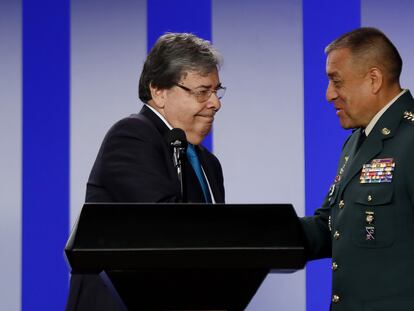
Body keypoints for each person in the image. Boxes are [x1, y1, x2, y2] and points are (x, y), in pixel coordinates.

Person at [66, 32, 226, 311]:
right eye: (202, 92)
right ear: (159, 91)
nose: (215, 103)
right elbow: (162, 228)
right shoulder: (131, 137)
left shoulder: (207, 163)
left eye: (216, 91)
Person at [301, 27, 414, 310]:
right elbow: (329, 227)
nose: (329, 95)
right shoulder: (356, 143)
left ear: (374, 79)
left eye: (336, 82)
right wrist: (254, 230)